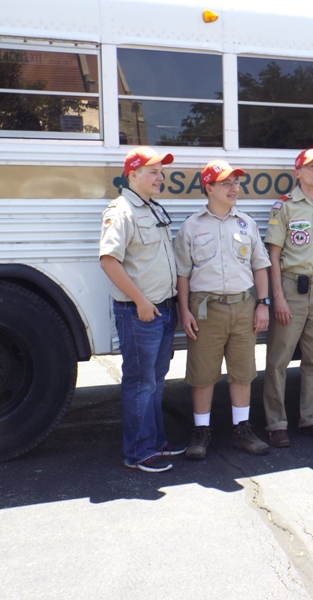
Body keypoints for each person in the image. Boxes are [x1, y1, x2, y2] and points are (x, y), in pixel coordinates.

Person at [174, 160, 272, 458]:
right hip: (206, 309)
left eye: (236, 182)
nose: (234, 188)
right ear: (209, 188)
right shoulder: (192, 226)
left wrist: (263, 303)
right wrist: (184, 311)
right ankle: (201, 432)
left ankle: (242, 430)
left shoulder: (246, 223)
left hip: (243, 306)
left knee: (243, 372)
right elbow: (182, 274)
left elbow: (260, 266)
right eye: (226, 183)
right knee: (203, 373)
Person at [99, 146, 182, 473]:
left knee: (155, 381)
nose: (160, 177)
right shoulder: (121, 211)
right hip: (140, 313)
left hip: (162, 310)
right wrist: (141, 302)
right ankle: (138, 452)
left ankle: (155, 442)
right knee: (140, 383)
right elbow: (109, 261)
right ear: (132, 175)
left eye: (161, 172)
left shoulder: (151, 208)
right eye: (153, 172)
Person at [263, 149, 313, 448]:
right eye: (312, 166)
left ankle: (312, 418)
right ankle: (276, 423)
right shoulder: (284, 207)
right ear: (297, 173)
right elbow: (272, 255)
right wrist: (278, 297)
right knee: (279, 359)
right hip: (291, 287)